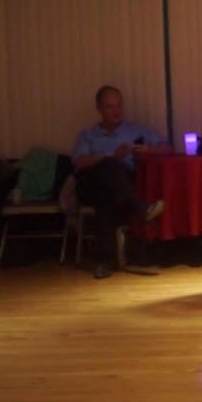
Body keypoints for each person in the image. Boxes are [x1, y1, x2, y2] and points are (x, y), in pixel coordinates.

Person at [72, 85, 167, 279]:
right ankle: (140, 208)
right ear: (99, 109)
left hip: (118, 184)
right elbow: (78, 162)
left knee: (106, 196)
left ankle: (103, 261)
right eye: (110, 107)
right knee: (109, 166)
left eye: (118, 106)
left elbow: (167, 148)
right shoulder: (88, 134)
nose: (116, 111)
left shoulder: (135, 130)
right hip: (90, 181)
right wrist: (110, 156)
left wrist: (147, 151)